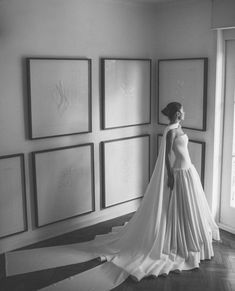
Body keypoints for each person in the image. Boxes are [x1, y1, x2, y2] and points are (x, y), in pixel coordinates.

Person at [6, 102, 220, 291]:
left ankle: (186, 239)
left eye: (183, 110)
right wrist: (171, 175)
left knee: (185, 209)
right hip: (178, 172)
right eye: (181, 110)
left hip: (188, 170)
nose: (184, 113)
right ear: (175, 113)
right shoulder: (170, 131)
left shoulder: (179, 128)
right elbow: (165, 157)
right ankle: (176, 242)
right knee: (177, 208)